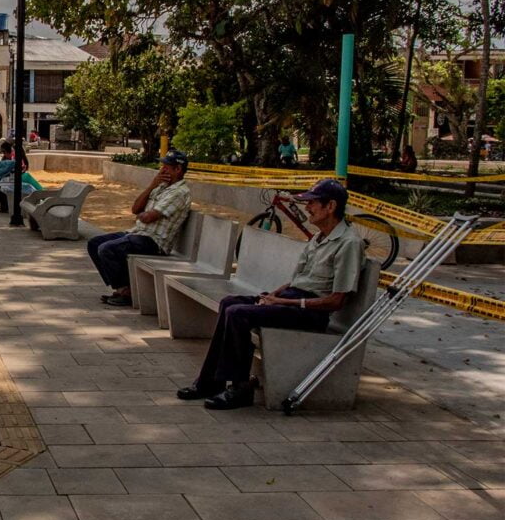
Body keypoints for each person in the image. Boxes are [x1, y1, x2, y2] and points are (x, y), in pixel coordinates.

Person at [177, 178, 364, 410]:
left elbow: (336, 301)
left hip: (311, 313)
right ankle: (210, 382)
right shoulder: (319, 238)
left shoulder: (348, 244)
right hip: (292, 300)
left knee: (239, 314)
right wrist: (273, 295)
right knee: (229, 303)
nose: (307, 208)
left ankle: (239, 388)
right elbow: (300, 279)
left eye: (313, 203)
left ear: (331, 206)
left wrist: (284, 301)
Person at [88, 150, 192, 307]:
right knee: (94, 243)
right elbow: (136, 209)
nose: (162, 170)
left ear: (178, 169)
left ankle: (127, 293)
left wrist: (142, 215)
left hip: (154, 241)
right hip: (138, 233)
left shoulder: (180, 192)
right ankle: (123, 289)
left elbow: (149, 217)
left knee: (107, 249)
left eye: (167, 167)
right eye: (162, 166)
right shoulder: (160, 187)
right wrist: (152, 185)